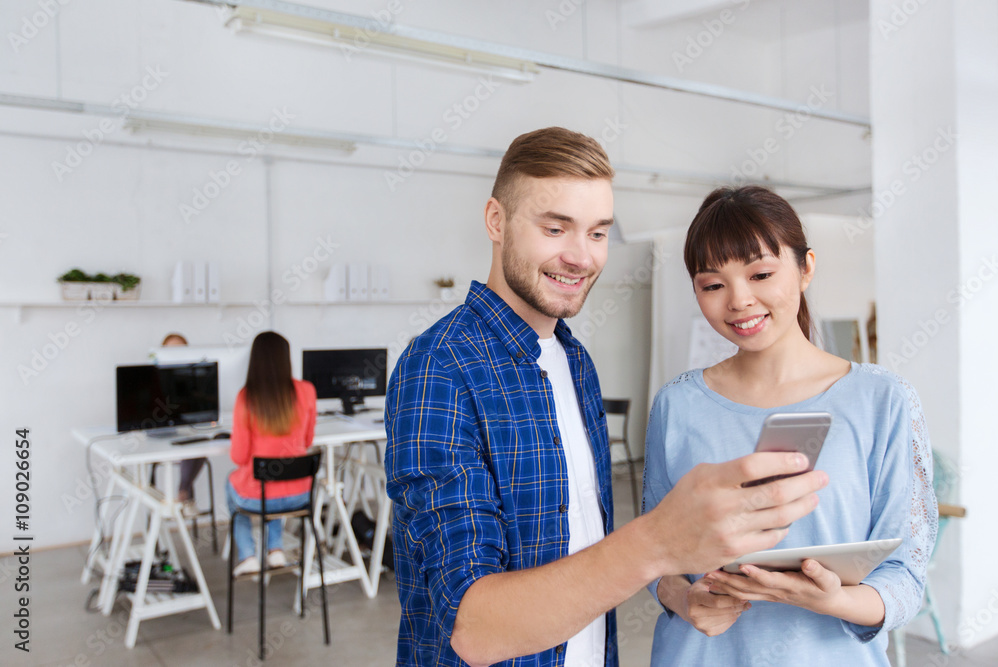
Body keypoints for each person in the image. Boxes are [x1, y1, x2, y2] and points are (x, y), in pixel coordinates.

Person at [385, 128, 828, 667]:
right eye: (555, 228)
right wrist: (659, 541)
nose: (580, 256)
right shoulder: (440, 367)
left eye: (598, 233)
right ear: (496, 221)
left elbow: (582, 565)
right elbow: (473, 629)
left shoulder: (574, 362)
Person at [642, 185, 937, 666]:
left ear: (806, 267)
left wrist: (832, 600)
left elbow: (905, 577)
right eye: (712, 284)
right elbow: (654, 556)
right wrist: (684, 599)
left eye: (760, 274)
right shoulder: (677, 405)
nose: (739, 300)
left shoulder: (883, 400)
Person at [226, 331, 317, 577]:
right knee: (276, 477)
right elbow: (308, 440)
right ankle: (275, 550)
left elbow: (239, 456)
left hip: (260, 498)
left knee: (233, 484)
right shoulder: (307, 391)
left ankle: (248, 555)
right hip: (301, 496)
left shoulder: (247, 397)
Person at [158, 333, 206, 513]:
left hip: (186, 431)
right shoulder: (156, 379)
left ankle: (183, 491)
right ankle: (185, 493)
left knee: (200, 444)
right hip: (162, 434)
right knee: (190, 447)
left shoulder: (194, 378)